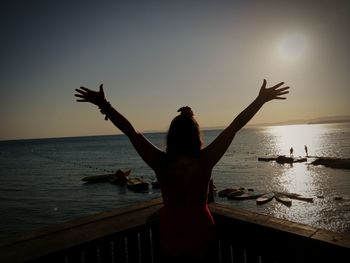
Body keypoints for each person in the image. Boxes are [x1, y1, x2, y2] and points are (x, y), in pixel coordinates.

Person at [74, 79, 289, 262]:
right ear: (196, 135)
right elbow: (235, 126)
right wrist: (260, 100)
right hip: (201, 228)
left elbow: (131, 132)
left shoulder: (160, 161)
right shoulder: (206, 159)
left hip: (172, 231)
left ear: (171, 136)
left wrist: (105, 105)